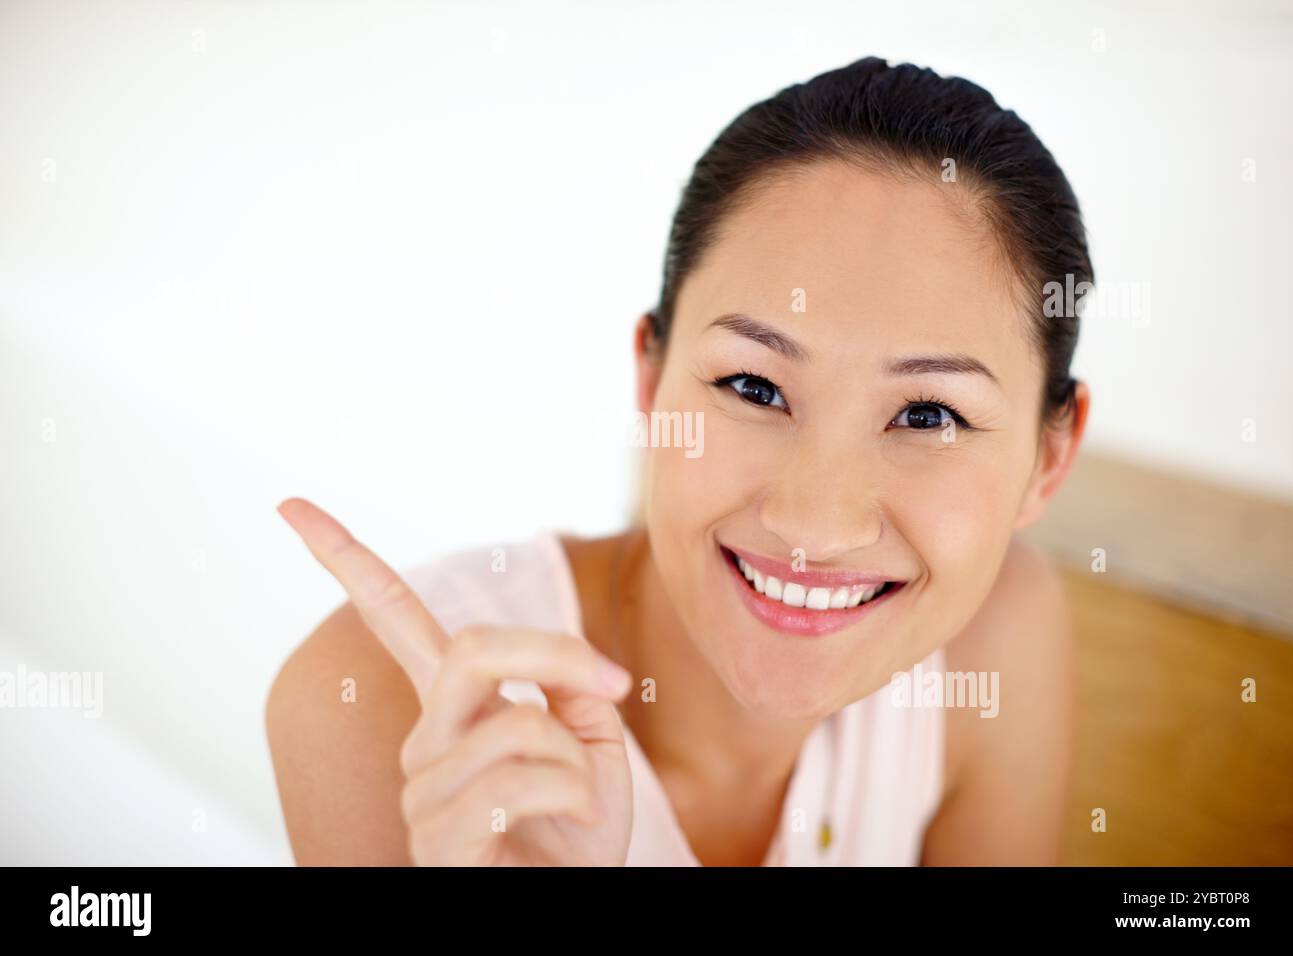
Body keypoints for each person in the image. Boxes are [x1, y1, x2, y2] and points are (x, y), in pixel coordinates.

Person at [266, 55, 1091, 866]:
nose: (814, 523)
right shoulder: (381, 708)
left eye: (928, 414)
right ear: (652, 381)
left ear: (1048, 459)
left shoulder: (997, 638)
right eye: (753, 387)